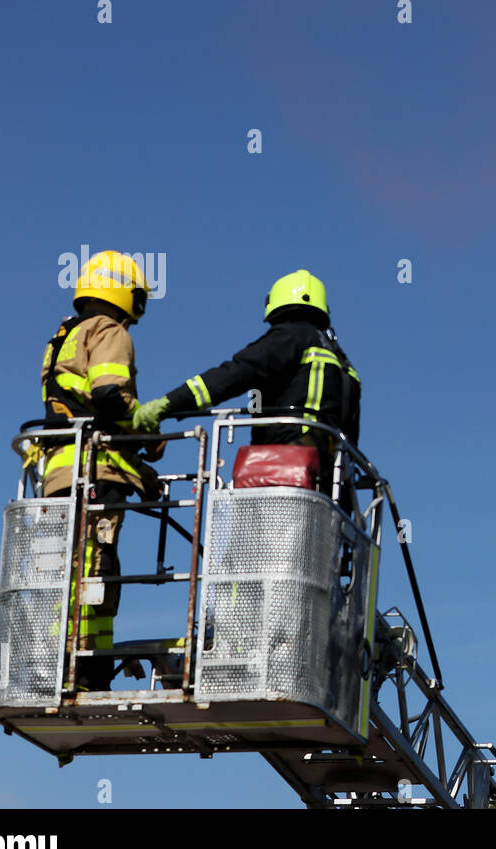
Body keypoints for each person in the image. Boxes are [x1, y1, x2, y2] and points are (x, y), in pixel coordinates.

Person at [39, 250, 162, 691]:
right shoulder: (108, 330)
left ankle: (64, 664)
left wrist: (142, 473)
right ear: (123, 292)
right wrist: (150, 430)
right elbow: (109, 398)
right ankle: (86, 669)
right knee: (97, 568)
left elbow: (82, 412)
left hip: (60, 472)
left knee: (68, 571)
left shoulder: (62, 338)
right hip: (96, 472)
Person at [131, 269, 360, 492]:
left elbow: (235, 374)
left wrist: (169, 404)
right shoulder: (345, 367)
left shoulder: (290, 337)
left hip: (282, 472)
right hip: (332, 484)